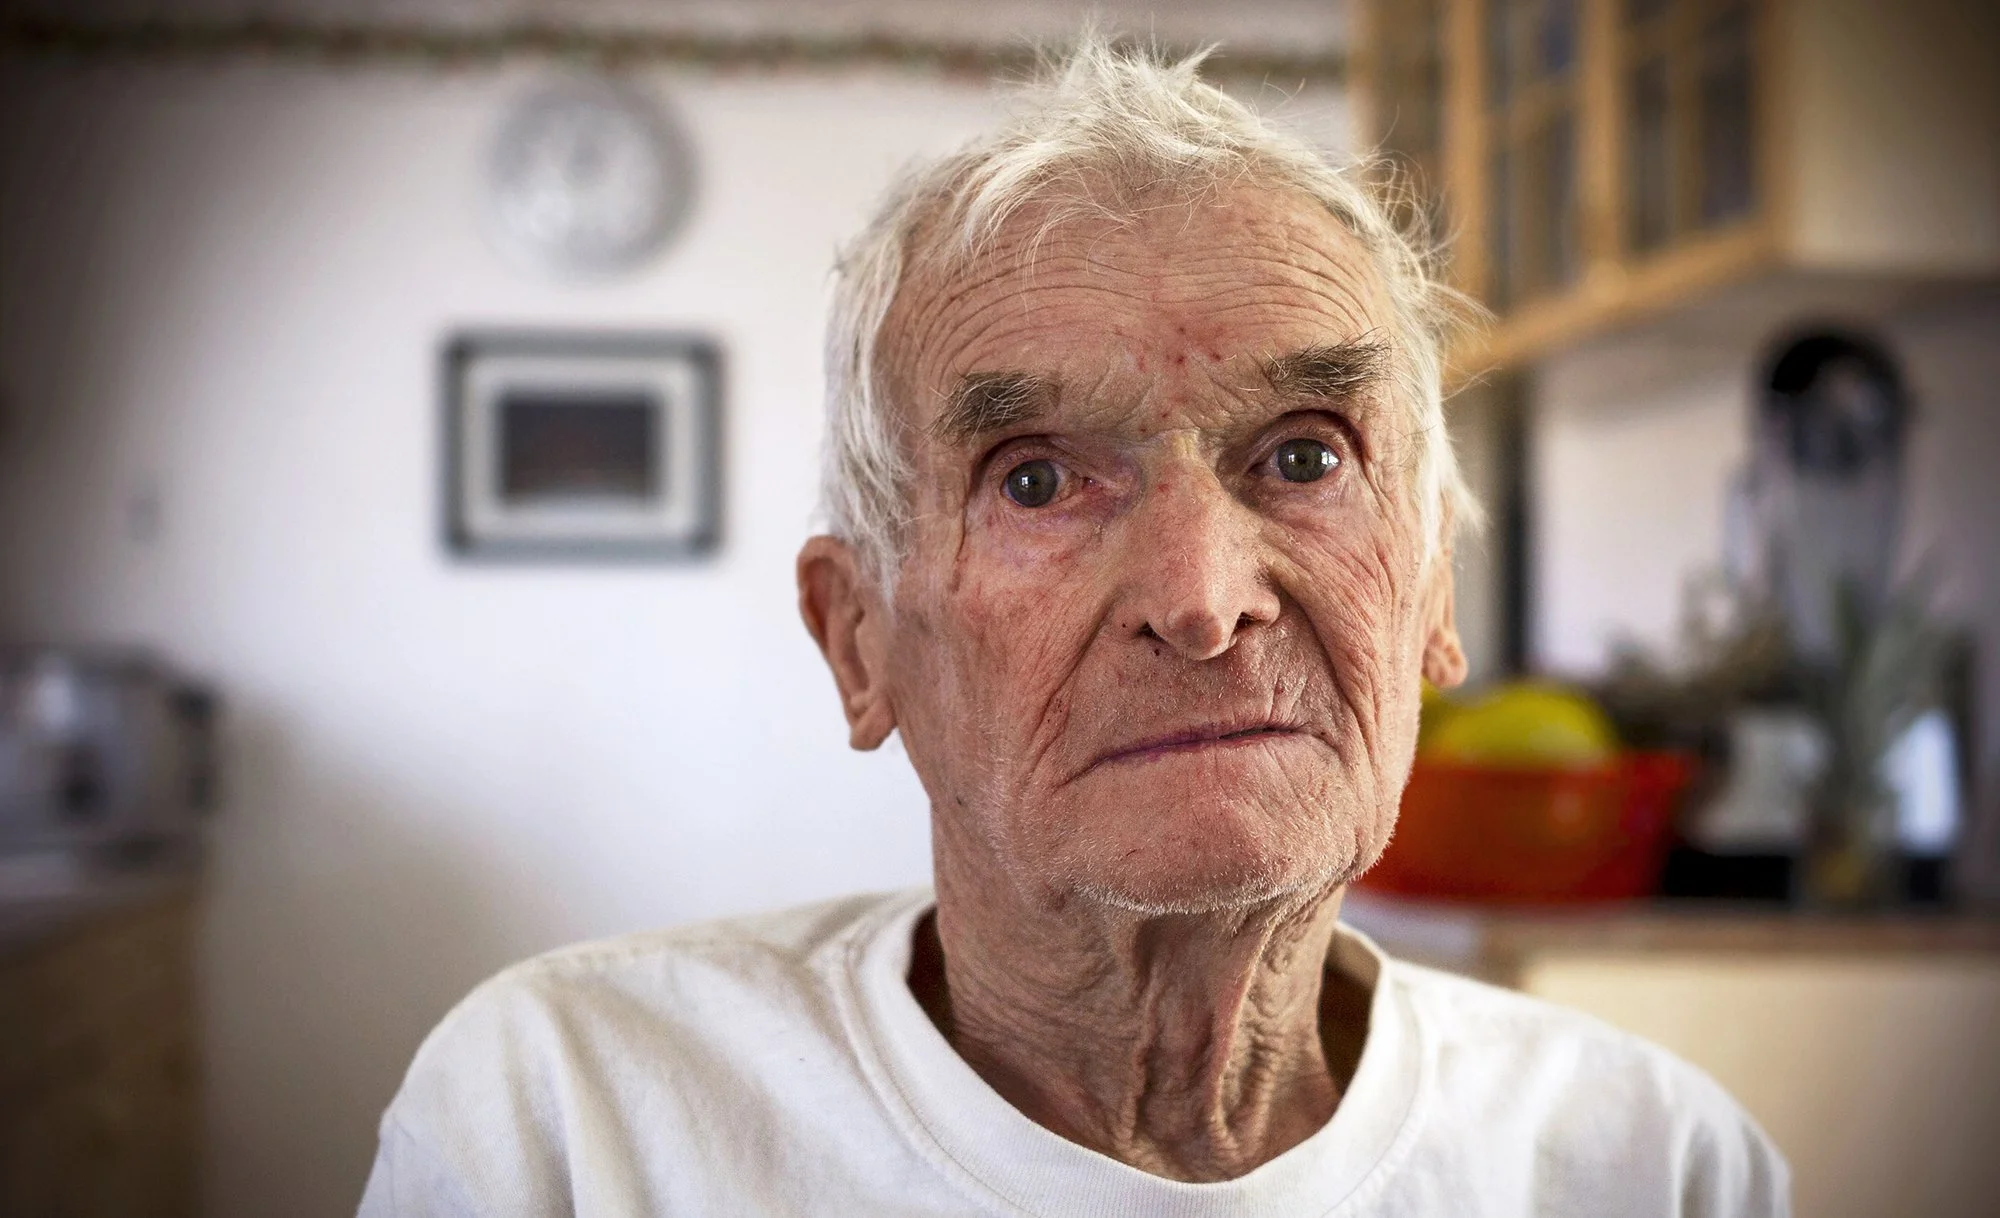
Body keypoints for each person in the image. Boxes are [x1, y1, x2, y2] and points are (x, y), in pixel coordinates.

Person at [359, 38, 1788, 1217]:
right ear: (859, 641)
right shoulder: (567, 1124)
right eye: (1036, 477)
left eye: (1303, 455)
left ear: (1431, 593)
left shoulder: (1653, 1166)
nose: (1202, 594)